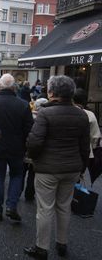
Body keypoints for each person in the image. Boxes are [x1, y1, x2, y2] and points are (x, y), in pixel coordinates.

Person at [24, 75, 90, 260]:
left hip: (48, 169)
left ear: (52, 93)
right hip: (72, 168)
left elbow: (35, 142)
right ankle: (62, 243)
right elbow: (85, 146)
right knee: (64, 207)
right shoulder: (81, 114)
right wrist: (82, 167)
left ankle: (41, 247)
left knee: (45, 208)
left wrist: (35, 159)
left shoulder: (45, 113)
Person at [0, 74, 34, 223]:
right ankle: (11, 206)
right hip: (17, 147)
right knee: (16, 176)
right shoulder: (23, 104)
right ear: (14, 87)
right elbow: (29, 129)